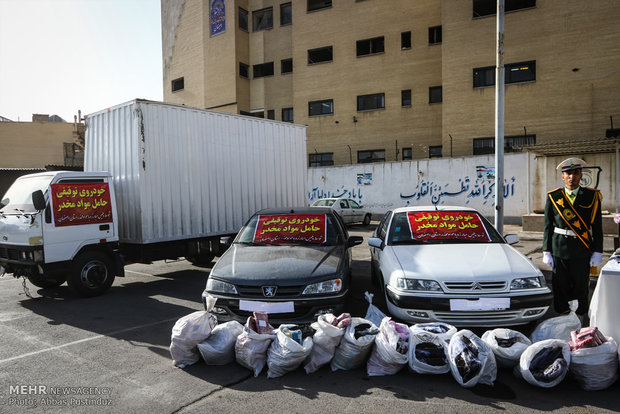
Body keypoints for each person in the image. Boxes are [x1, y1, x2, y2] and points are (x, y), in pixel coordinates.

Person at [542, 158, 603, 317]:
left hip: (582, 249)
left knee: (581, 285)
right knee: (560, 285)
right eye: (568, 173)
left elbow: (597, 226)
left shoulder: (592, 196)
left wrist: (598, 251)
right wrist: (546, 250)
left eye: (576, 173)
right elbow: (548, 226)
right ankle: (562, 316)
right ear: (562, 176)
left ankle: (580, 316)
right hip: (559, 248)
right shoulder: (553, 197)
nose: (572, 177)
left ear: (581, 174)